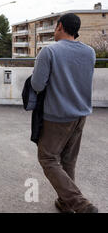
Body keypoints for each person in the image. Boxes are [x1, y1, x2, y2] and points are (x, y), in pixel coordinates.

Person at [31, 13, 98, 213]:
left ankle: (80, 204)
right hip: (80, 115)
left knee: (48, 158)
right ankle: (65, 203)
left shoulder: (49, 52)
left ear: (60, 26)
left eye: (55, 26)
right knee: (68, 160)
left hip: (57, 116)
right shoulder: (90, 52)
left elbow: (37, 85)